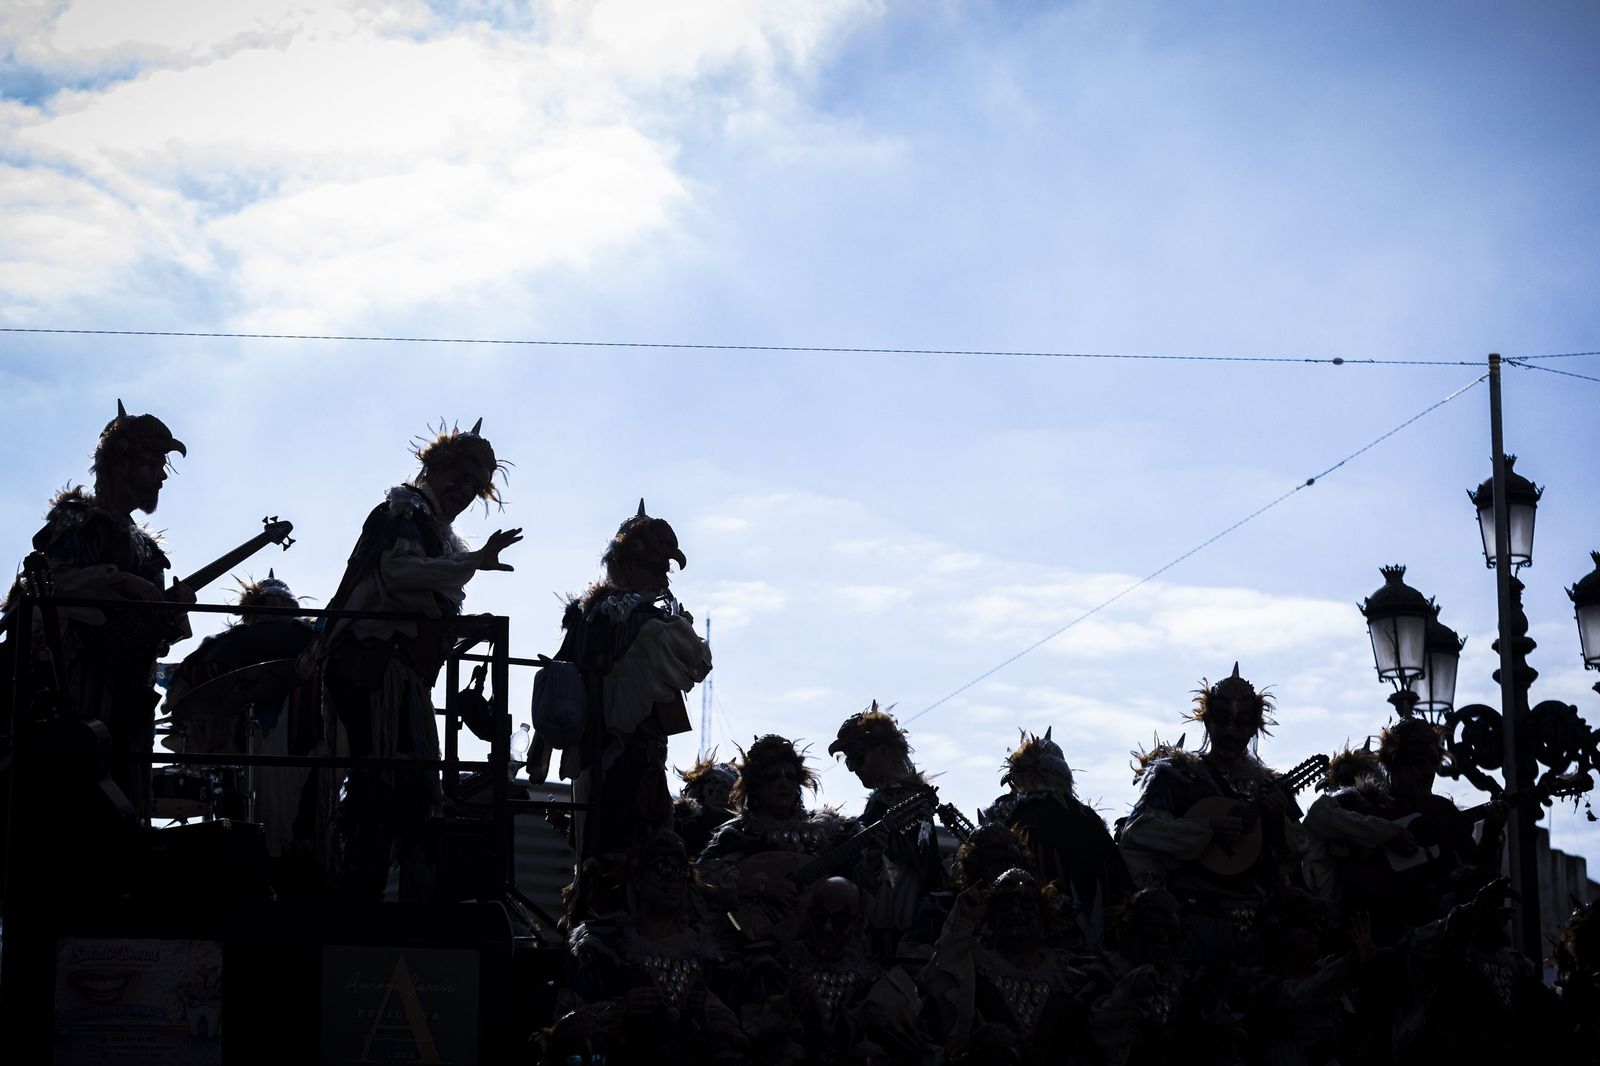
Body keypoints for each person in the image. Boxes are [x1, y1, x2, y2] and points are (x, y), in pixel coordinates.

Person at [319, 420, 521, 901]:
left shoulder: (431, 526)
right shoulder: (404, 512)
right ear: (433, 466)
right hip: (376, 670)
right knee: (385, 793)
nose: (464, 492)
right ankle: (358, 912)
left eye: (475, 486)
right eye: (457, 476)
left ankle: (385, 908)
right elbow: (400, 572)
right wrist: (475, 563)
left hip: (400, 674)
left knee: (405, 795)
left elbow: (420, 595)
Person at [22, 401, 194, 822]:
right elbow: (49, 587)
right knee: (78, 790)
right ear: (121, 465)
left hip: (131, 687)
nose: (161, 477)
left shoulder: (148, 548)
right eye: (154, 463)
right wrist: (120, 581)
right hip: (79, 680)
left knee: (127, 791)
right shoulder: (78, 521)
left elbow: (157, 634)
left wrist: (171, 612)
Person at [533, 501, 710, 862]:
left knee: (609, 850)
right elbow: (699, 661)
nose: (661, 576)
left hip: (604, 757)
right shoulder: (648, 623)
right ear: (626, 564)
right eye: (653, 566)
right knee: (635, 852)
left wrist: (542, 753)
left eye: (664, 568)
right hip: (626, 753)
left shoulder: (588, 617)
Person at [1117, 664, 1303, 963]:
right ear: (1207, 722)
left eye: (1241, 721)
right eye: (1221, 719)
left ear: (1254, 727)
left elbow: (1294, 863)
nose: (1230, 730)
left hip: (1258, 928)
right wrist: (1205, 830)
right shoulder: (1177, 777)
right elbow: (1138, 832)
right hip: (1192, 921)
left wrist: (1277, 822)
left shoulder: (1270, 788)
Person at [165, 571, 328, 893]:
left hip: (248, 754)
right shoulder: (317, 643)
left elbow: (179, 698)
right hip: (305, 753)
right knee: (303, 833)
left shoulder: (220, 647)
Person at [981, 728, 1130, 949]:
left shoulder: (1018, 815)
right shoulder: (1091, 822)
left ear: (1029, 774)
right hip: (1099, 946)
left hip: (1034, 940)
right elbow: (1121, 888)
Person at [829, 702, 945, 954]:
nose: (854, 768)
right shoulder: (890, 800)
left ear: (884, 752)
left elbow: (912, 871)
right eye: (849, 761)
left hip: (898, 929)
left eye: (857, 757)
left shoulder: (904, 802)